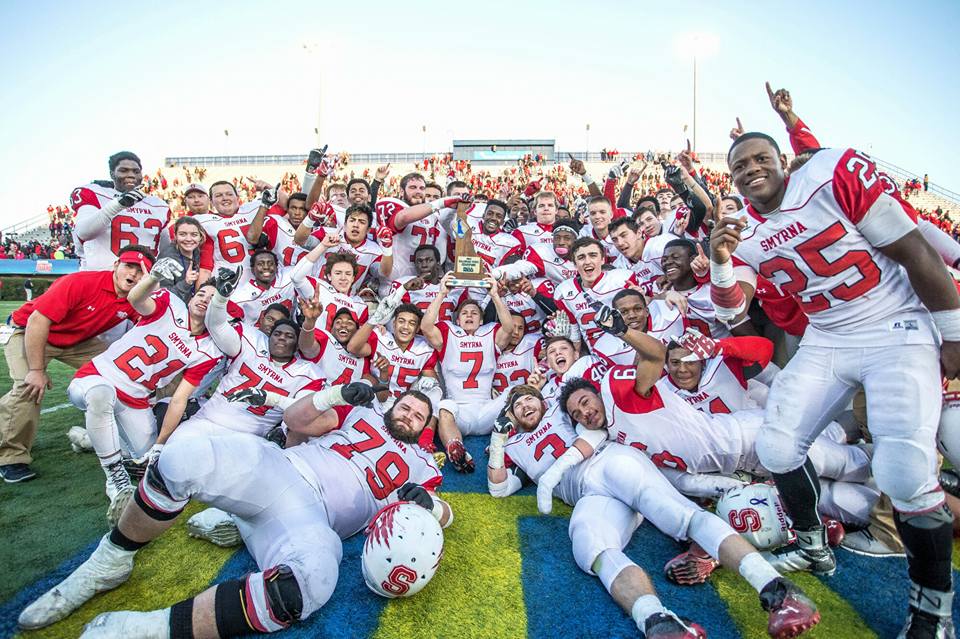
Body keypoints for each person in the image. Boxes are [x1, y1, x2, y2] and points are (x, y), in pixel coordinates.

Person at [710, 132, 960, 635]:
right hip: (827, 338)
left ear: (782, 161)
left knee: (905, 470)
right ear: (731, 176)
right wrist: (718, 258)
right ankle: (812, 543)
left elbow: (915, 250)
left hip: (896, 325)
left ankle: (933, 606)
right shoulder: (743, 229)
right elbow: (731, 310)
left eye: (761, 158)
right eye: (740, 165)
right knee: (777, 447)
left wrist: (952, 331)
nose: (752, 169)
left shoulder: (831, 173)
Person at [17, 384, 452, 637]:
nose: (410, 415)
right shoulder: (362, 416)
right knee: (181, 460)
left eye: (419, 414)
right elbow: (298, 422)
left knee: (311, 585)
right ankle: (108, 562)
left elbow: (444, 515)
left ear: (426, 425)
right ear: (392, 406)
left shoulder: (424, 465)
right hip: (282, 470)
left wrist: (428, 504)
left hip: (312, 523)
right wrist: (334, 394)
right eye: (407, 407)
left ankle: (151, 627)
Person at [490, 386, 821, 639]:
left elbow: (595, 427)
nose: (525, 405)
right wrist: (497, 441)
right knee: (588, 547)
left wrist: (555, 470)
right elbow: (499, 488)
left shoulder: (563, 413)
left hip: (610, 462)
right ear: (513, 415)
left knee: (677, 515)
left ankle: (778, 589)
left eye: (529, 399)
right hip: (590, 496)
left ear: (543, 401)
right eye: (517, 404)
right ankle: (657, 620)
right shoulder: (516, 447)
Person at [67, 259, 222, 522]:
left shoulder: (209, 349)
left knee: (150, 461)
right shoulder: (170, 306)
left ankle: (89, 439)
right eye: (201, 293)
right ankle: (115, 479)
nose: (204, 299)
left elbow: (179, 399)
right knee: (102, 395)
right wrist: (151, 278)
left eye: (213, 299)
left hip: (136, 400)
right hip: (96, 377)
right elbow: (136, 299)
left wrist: (160, 444)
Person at [0, 245, 155, 483]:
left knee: (121, 374)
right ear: (116, 265)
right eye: (129, 266)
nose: (134, 274)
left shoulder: (137, 298)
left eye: (141, 271)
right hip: (29, 331)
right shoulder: (80, 282)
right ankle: (11, 456)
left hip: (76, 341)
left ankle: (125, 443)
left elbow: (153, 323)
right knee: (28, 385)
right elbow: (37, 320)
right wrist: (37, 370)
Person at [420, 272, 515, 471]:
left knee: (516, 393)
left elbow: (509, 327)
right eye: (464, 313)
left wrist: (495, 295)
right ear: (457, 320)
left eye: (474, 313)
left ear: (481, 320)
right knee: (444, 406)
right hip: (459, 412)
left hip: (488, 410)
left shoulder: (490, 333)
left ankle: (503, 444)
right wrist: (441, 294)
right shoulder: (448, 333)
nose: (469, 315)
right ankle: (456, 449)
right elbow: (426, 327)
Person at [70, 152, 170, 271]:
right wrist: (118, 205)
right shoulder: (97, 194)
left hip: (141, 281)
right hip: (100, 277)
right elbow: (83, 232)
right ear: (112, 174)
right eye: (124, 170)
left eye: (136, 171)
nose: (131, 175)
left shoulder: (157, 205)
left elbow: (165, 251)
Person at [156, 216, 206, 302]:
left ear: (200, 237)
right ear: (175, 236)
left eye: (194, 235)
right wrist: (186, 283)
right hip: (174, 311)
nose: (188, 239)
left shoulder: (197, 252)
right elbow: (162, 295)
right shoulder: (167, 259)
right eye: (182, 234)